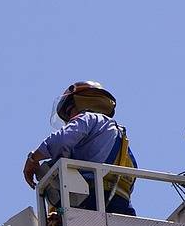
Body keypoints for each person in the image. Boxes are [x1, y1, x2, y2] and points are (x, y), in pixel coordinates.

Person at [23, 81, 137, 215]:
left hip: (92, 200)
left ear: (80, 102)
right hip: (122, 205)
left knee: (51, 167)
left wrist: (33, 158)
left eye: (68, 111)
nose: (69, 120)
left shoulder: (89, 118)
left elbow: (61, 140)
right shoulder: (119, 136)